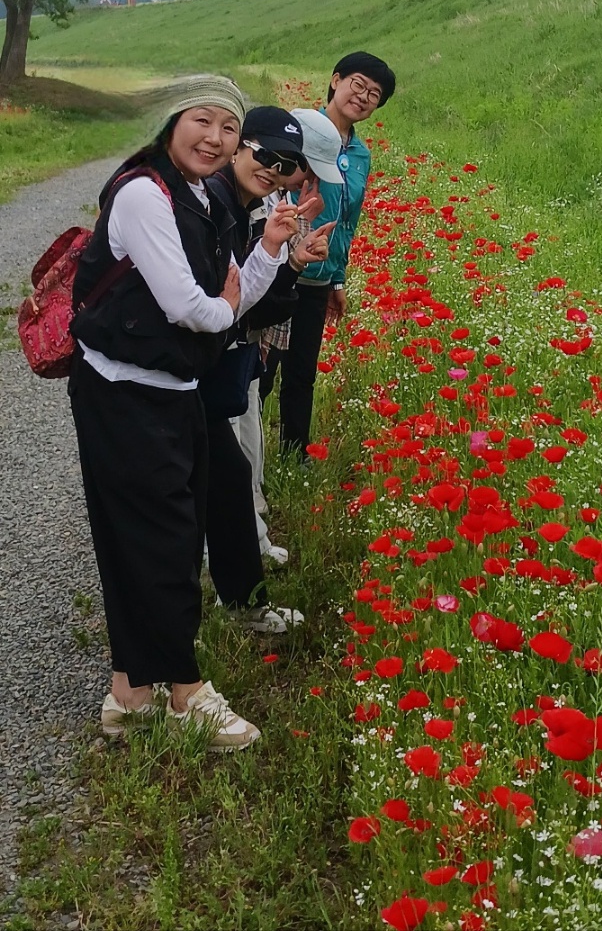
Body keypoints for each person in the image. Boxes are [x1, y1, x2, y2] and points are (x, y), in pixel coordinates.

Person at [68, 75, 280, 750]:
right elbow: (190, 306)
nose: (214, 138)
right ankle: (188, 694)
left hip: (173, 388)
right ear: (171, 120)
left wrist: (269, 252)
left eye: (228, 127)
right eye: (202, 120)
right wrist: (222, 309)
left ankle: (129, 696)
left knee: (159, 538)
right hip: (123, 391)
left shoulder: (199, 196)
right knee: (159, 541)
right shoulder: (143, 193)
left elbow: (228, 297)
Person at [204, 108, 334, 626]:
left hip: (214, 359)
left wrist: (288, 256)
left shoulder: (244, 205)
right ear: (239, 146)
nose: (276, 171)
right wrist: (279, 255)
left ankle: (238, 602)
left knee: (230, 475)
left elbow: (249, 300)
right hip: (175, 370)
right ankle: (182, 630)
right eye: (266, 157)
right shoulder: (211, 202)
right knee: (205, 484)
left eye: (287, 165)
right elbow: (227, 304)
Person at [276, 53, 396, 458]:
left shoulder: (360, 155)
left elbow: (347, 221)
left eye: (374, 95)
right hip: (280, 268)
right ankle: (244, 458)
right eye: (358, 85)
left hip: (319, 277)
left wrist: (338, 278)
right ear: (335, 80)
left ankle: (294, 456)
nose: (362, 97)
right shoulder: (300, 131)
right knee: (262, 369)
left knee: (302, 372)